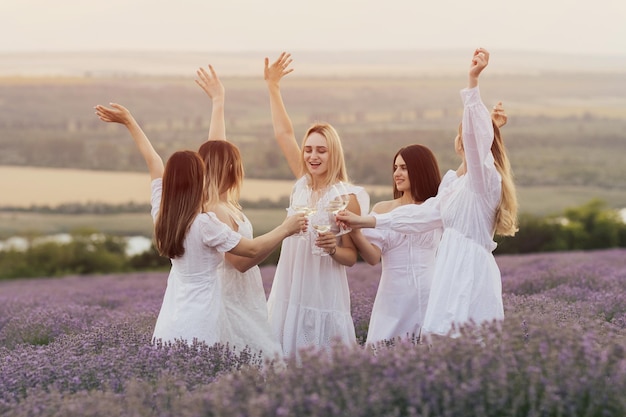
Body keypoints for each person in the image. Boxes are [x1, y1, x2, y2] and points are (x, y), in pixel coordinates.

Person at [336, 48, 518, 337]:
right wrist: (365, 222)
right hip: (448, 273)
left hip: (469, 271)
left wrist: (473, 82)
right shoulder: (458, 185)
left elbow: (477, 142)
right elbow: (419, 216)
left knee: (467, 344)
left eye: (464, 135)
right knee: (438, 345)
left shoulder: (486, 180)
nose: (461, 139)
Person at [94, 103, 306, 347]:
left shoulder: (161, 213)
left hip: (172, 314)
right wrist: (287, 228)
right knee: (206, 369)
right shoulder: (205, 223)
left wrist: (130, 122)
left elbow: (154, 162)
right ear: (197, 180)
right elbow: (250, 251)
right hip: (204, 316)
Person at [263, 52, 370, 358]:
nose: (312, 156)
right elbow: (283, 133)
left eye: (321, 150)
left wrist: (333, 248)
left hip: (323, 293)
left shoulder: (346, 196)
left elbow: (352, 257)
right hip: (289, 289)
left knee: (323, 365)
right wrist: (273, 87)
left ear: (333, 153)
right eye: (308, 150)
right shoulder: (301, 184)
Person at [194, 64, 283, 359]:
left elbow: (213, 150)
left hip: (247, 298)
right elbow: (239, 262)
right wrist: (286, 229)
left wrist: (218, 101)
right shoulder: (214, 210)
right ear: (229, 169)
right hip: (231, 303)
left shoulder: (223, 201)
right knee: (259, 362)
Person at [349, 144, 442, 345]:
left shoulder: (436, 208)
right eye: (396, 168)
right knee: (385, 354)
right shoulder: (382, 209)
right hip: (392, 298)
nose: (397, 173)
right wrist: (355, 231)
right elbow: (373, 257)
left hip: (430, 294)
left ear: (421, 170)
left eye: (404, 168)